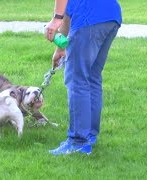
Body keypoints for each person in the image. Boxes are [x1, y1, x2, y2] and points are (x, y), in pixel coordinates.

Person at [44, 0, 122, 155]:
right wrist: (60, 48)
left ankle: (78, 141)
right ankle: (90, 134)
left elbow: (64, 9)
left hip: (88, 18)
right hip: (111, 16)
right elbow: (69, 11)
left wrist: (55, 19)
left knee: (77, 80)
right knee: (92, 77)